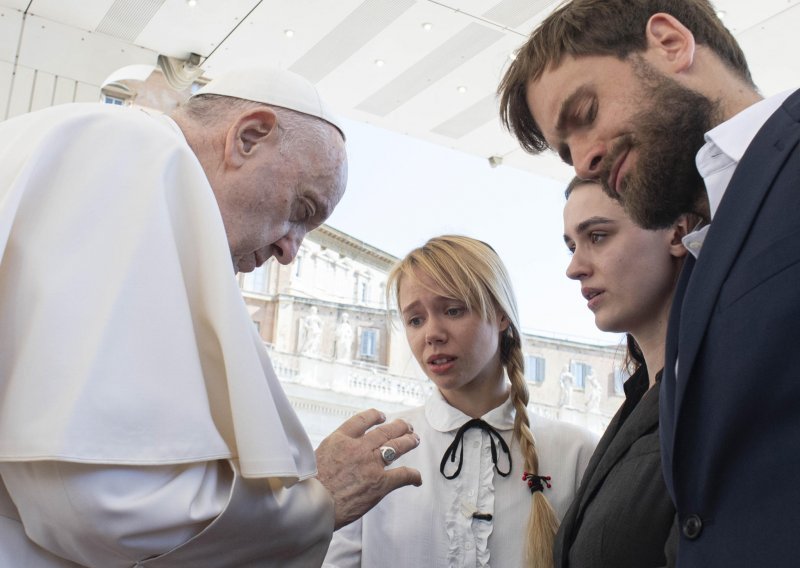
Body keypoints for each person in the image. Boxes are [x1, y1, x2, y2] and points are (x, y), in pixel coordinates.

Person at [0, 67, 421, 567]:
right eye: (300, 209)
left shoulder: (83, 141)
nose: (290, 251)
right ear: (249, 137)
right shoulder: (135, 156)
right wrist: (316, 501)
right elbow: (98, 499)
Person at [498, 1, 800, 564]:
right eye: (566, 153)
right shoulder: (699, 276)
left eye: (585, 112)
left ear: (669, 43)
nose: (584, 162)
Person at [323, 235, 597, 568]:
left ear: (501, 315)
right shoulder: (375, 454)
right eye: (415, 320)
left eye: (452, 310)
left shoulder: (578, 454)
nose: (432, 334)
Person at [559, 177, 697, 567]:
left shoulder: (708, 401)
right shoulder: (638, 401)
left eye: (598, 236)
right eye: (571, 245)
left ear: (677, 231)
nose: (574, 267)